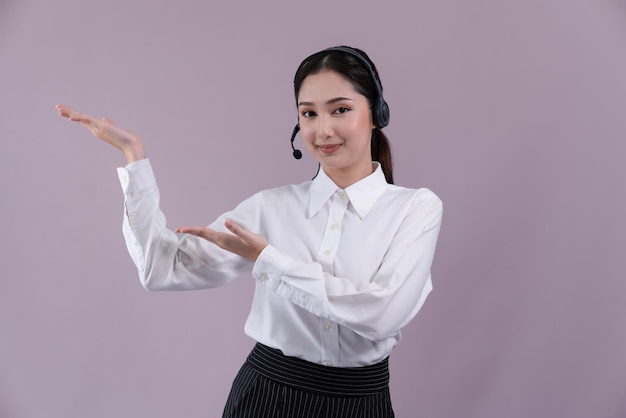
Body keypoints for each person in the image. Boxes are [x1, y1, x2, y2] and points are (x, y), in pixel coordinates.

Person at [56, 46, 443, 418]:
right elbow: (162, 268)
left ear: (375, 114)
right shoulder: (269, 207)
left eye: (340, 109)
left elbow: (384, 313)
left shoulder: (416, 208)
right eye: (308, 114)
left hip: (361, 402)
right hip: (266, 397)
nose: (323, 130)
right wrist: (134, 159)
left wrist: (268, 260)